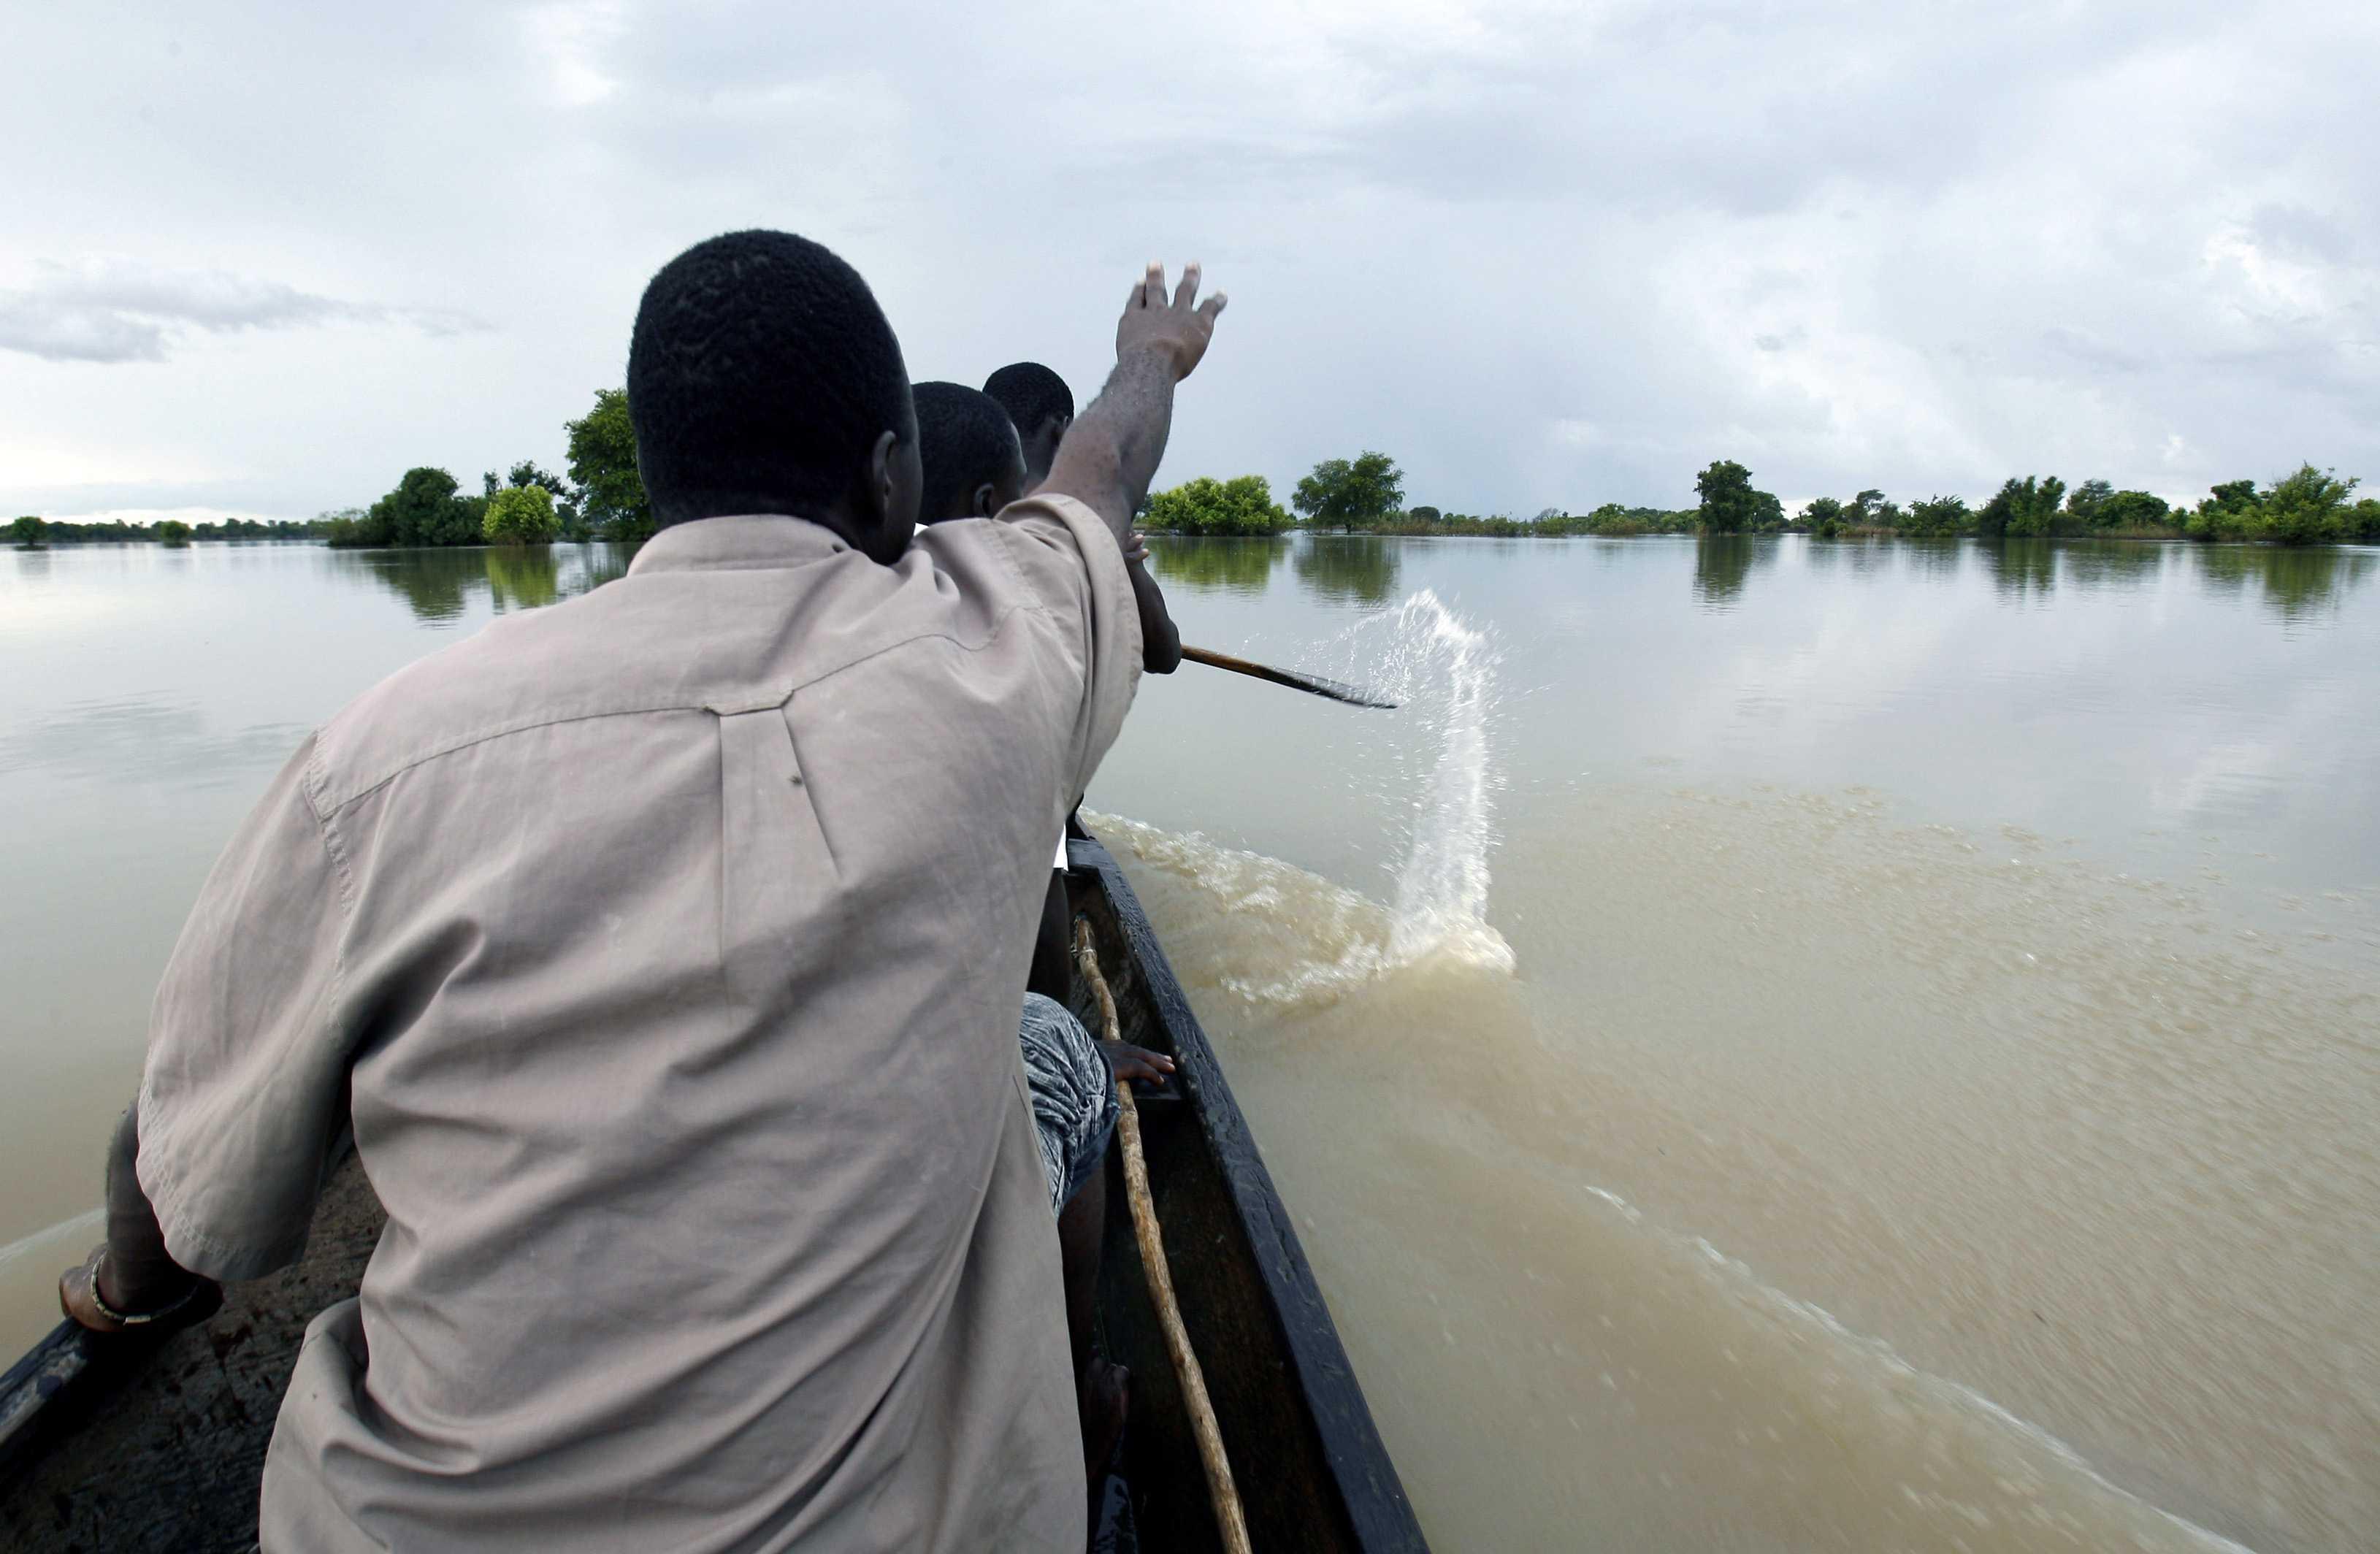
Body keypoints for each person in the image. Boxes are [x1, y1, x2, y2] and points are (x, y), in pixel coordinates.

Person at [58, 231, 1226, 1553]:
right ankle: (1078, 1432)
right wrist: (1151, 358)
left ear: (658, 478)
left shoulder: (378, 758)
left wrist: (126, 1297)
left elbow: (175, 1170)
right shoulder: (997, 660)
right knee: (1051, 1043)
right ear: (895, 478)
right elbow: (1104, 472)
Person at [911, 380, 1176, 1471]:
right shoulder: (1018, 584)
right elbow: (1155, 648)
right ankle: (1074, 1396)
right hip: (1006, 848)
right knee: (1057, 1031)